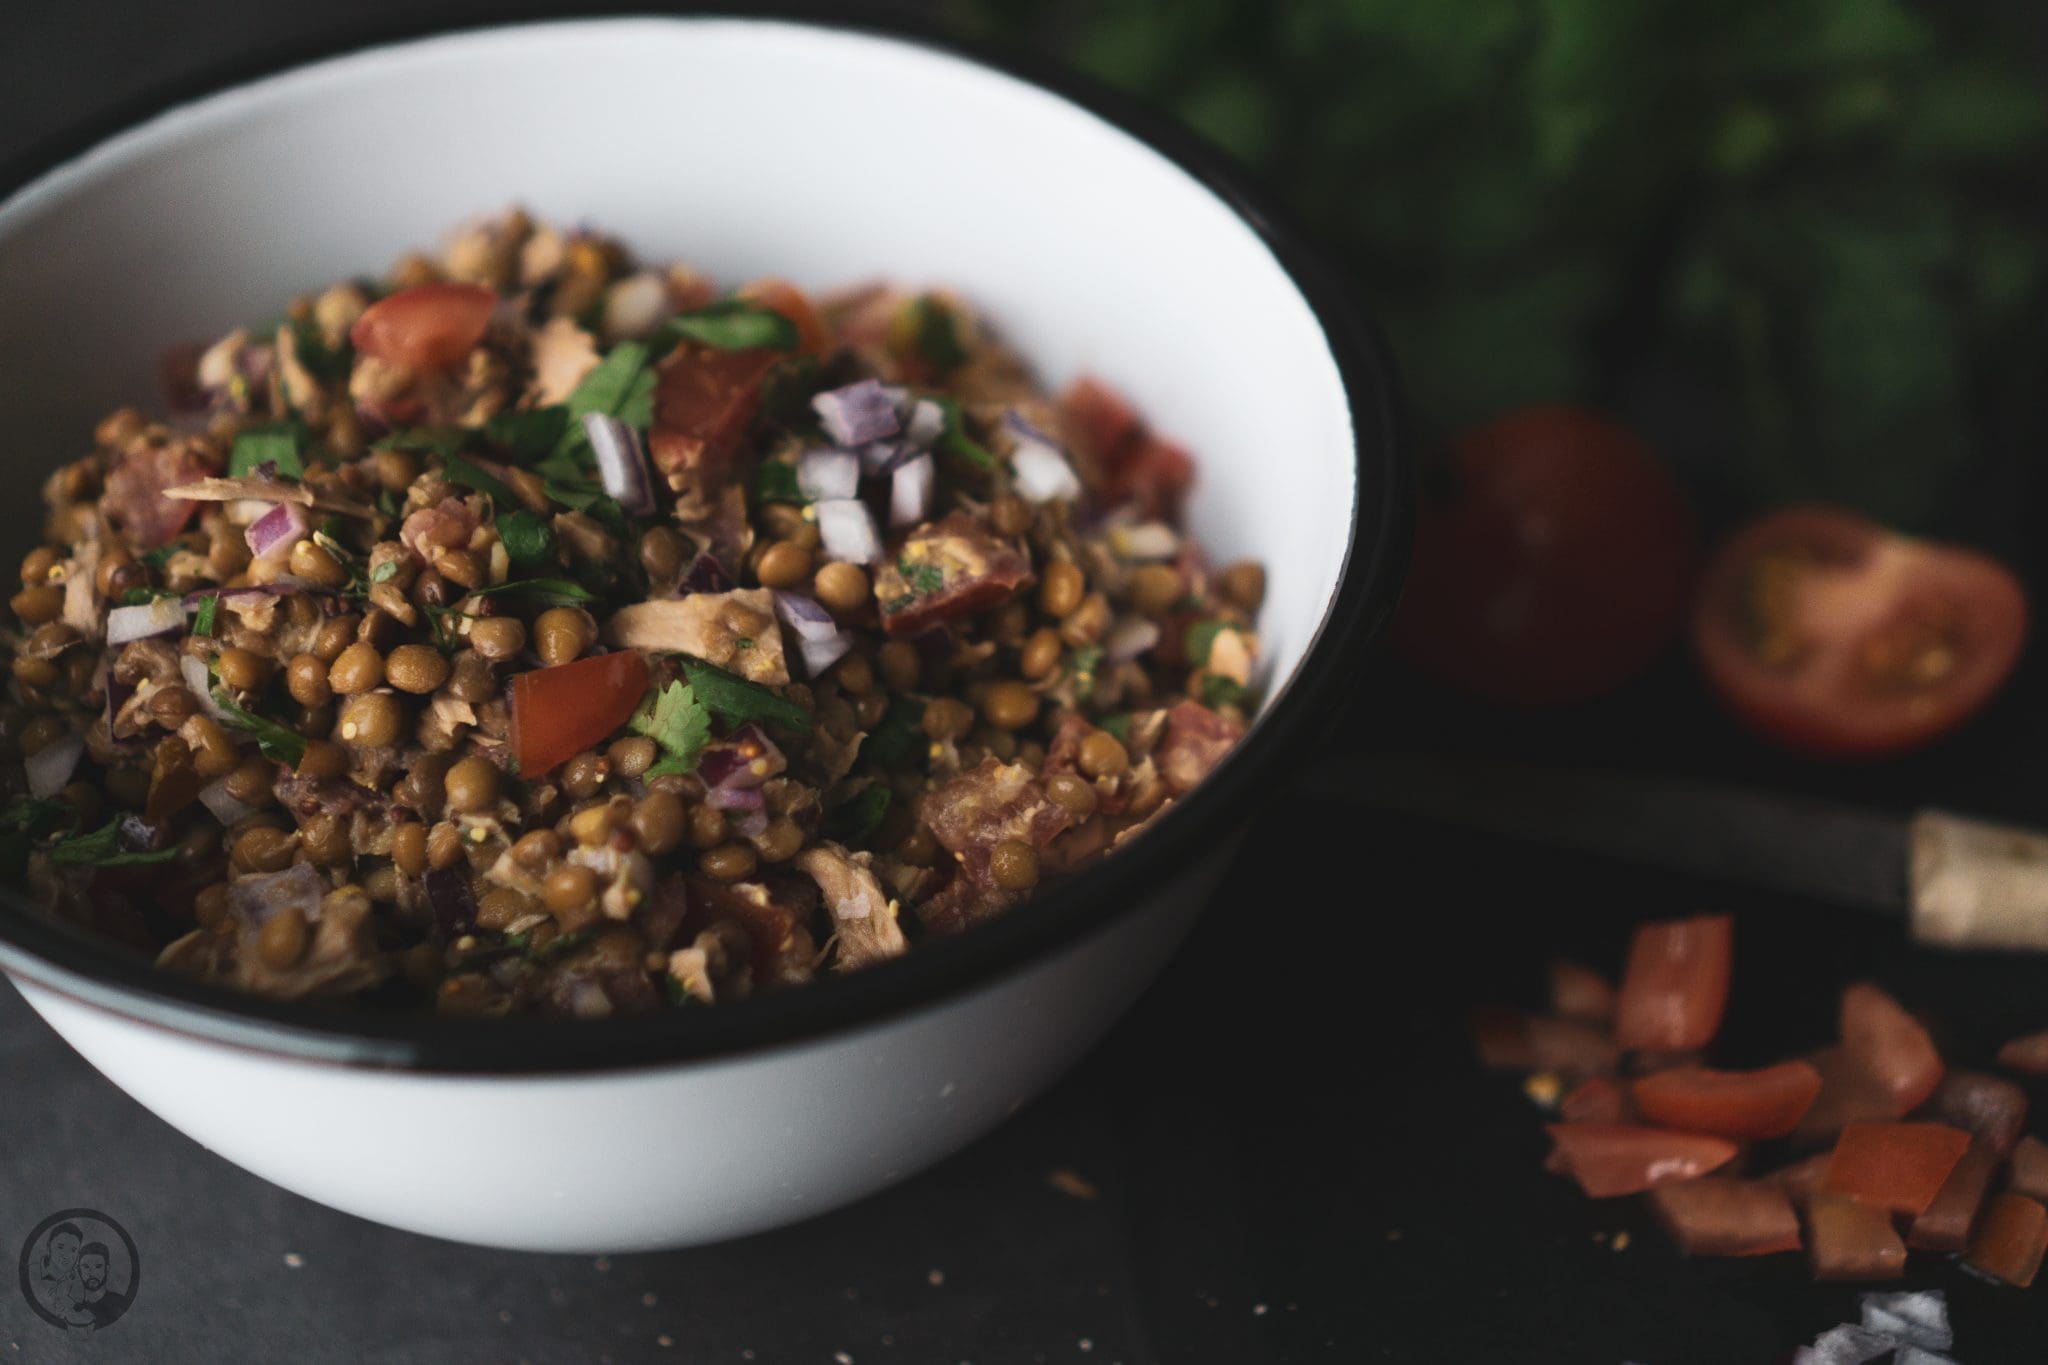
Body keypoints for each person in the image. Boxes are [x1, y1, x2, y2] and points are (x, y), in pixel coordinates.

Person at [30, 1222, 83, 1323]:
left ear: (78, 1254)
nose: (66, 1255)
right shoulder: (31, 1273)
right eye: (60, 1247)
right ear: (48, 1247)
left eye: (73, 1250)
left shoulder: (77, 1281)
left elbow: (77, 1315)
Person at [72, 1242, 128, 1328]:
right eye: (86, 1267)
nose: (92, 1273)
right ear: (79, 1270)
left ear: (107, 1268)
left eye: (98, 1267)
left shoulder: (121, 1303)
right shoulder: (75, 1309)